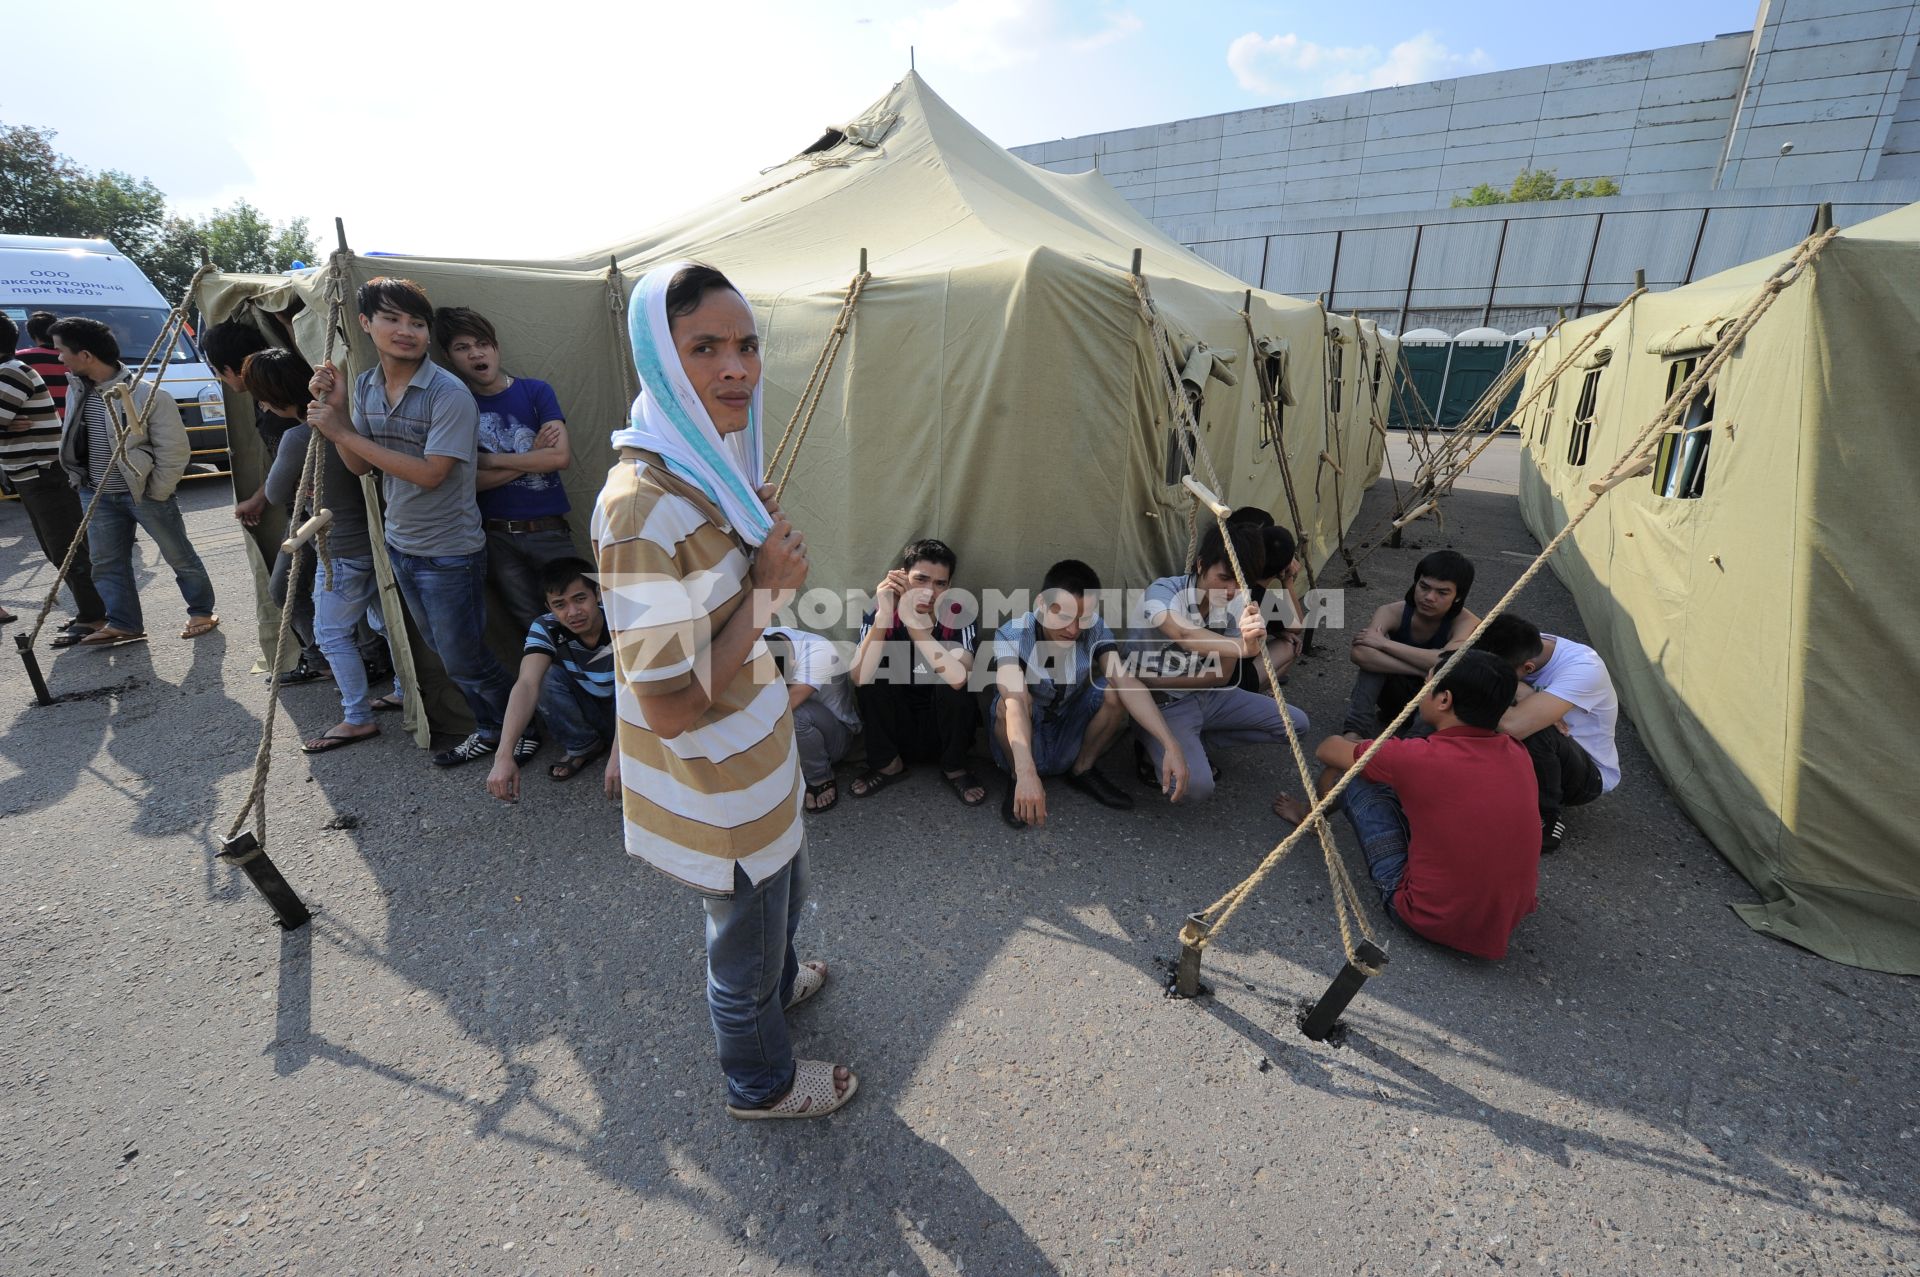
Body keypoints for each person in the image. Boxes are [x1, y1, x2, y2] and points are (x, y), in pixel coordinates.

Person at [593, 260, 854, 1121]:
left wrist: (746, 526)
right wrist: (771, 590)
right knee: (739, 946)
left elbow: (710, 608)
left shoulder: (702, 472)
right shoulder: (639, 509)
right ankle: (760, 1082)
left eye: (746, 344)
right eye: (704, 347)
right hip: (714, 777)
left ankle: (782, 984)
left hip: (757, 748)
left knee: (787, 894)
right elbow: (667, 702)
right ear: (659, 362)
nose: (736, 366)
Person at [305, 277, 524, 769]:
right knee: (446, 653)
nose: (406, 331)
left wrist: (341, 428)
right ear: (366, 324)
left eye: (417, 323)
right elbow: (360, 468)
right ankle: (497, 729)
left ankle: (513, 729)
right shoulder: (363, 386)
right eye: (392, 318)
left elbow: (432, 473)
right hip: (399, 542)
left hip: (451, 548)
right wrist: (339, 413)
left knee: (464, 656)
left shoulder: (449, 393)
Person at [1275, 651, 1540, 960]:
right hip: (1501, 921)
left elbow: (1327, 749)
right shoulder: (1518, 752)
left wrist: (1363, 744)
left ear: (1444, 700)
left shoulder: (1417, 757)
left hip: (1426, 915)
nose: (1421, 690)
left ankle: (1310, 816)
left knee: (1352, 774)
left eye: (1427, 684)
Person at [248, 349, 401, 752]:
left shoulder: (301, 437)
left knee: (330, 634)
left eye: (262, 397)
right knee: (384, 622)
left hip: (342, 549)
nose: (261, 406)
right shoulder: (354, 422)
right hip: (377, 541)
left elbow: (279, 492)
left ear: (276, 398)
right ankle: (403, 687)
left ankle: (357, 717)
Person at [51, 317, 218, 646]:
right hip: (96, 494)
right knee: (106, 562)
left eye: (60, 351)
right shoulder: (78, 391)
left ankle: (201, 611)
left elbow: (174, 450)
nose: (58, 358)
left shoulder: (147, 394)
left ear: (85, 355)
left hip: (143, 493)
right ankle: (124, 623)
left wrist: (158, 490)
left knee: (178, 555)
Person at [989, 558, 1190, 829]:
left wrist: (1170, 743)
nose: (1073, 630)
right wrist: (1025, 772)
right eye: (1063, 617)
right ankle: (1017, 782)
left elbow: (1125, 681)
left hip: (1067, 729)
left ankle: (1082, 769)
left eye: (1082, 618)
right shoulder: (1012, 634)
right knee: (1007, 702)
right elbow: (1015, 699)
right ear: (1041, 604)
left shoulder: (1094, 628)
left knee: (1115, 691)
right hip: (1024, 739)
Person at [1127, 522, 1305, 805]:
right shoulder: (1162, 593)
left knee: (1296, 724)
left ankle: (1195, 745)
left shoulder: (1237, 605)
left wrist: (1159, 680)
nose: (1231, 590)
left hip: (1207, 694)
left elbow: (1222, 677)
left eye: (1241, 581)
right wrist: (1242, 647)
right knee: (1197, 789)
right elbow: (1183, 634)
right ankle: (1153, 747)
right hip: (1164, 704)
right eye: (1223, 578)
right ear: (1200, 565)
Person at [433, 307, 576, 629]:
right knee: (532, 628)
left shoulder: (536, 391)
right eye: (462, 348)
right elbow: (466, 482)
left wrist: (490, 459)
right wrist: (532, 456)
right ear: (448, 357)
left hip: (550, 530)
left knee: (582, 616)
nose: (475, 353)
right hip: (496, 538)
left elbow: (559, 458)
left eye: (482, 343)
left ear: (496, 346)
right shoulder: (456, 404)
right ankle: (550, 682)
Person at [846, 538, 986, 807]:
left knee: (953, 676)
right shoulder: (880, 609)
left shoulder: (959, 614)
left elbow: (959, 678)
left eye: (940, 584)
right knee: (873, 666)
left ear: (949, 587)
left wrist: (915, 625)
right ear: (901, 576)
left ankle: (955, 767)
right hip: (897, 729)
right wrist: (884, 616)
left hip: (943, 730)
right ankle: (888, 765)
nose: (929, 592)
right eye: (920, 580)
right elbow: (859, 677)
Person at [0, 313, 108, 643]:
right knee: (57, 549)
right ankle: (92, 613)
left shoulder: (10, 373)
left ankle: (95, 617)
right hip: (30, 474)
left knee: (67, 549)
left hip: (43, 473)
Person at [1473, 614, 1621, 853]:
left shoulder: (1584, 669)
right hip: (1544, 752)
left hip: (1583, 774)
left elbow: (1516, 727)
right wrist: (1522, 690)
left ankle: (1547, 816)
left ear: (1528, 668)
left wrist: (1480, 690)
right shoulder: (1517, 643)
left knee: (1534, 729)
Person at [485, 557, 617, 800]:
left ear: (597, 594)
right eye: (560, 604)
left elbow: (636, 691)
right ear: (549, 607)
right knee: (539, 675)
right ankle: (584, 745)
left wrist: (621, 757)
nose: (573, 612)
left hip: (633, 714)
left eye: (580, 599)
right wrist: (503, 757)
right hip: (591, 706)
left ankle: (630, 752)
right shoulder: (546, 627)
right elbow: (526, 685)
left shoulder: (620, 619)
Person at [1342, 550, 1480, 739]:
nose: (1429, 597)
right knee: (1371, 667)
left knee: (1443, 677)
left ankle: (1415, 743)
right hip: (1393, 698)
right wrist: (1424, 669)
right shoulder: (1391, 611)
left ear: (1458, 596)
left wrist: (1384, 644)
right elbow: (1361, 653)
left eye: (1442, 592)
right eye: (1424, 587)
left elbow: (1450, 663)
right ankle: (1354, 731)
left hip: (1437, 709)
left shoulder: (1467, 622)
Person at [768, 625, 862, 813]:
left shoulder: (819, 653)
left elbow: (782, 708)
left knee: (793, 714)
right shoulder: (761, 641)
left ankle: (820, 777)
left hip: (833, 738)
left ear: (794, 664)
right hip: (781, 734)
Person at [201, 319, 281, 530]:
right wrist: (259, 498)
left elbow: (292, 460)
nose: (218, 376)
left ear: (227, 369)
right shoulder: (261, 400)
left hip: (315, 513)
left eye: (215, 370)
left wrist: (258, 497)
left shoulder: (283, 406)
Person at [16, 313, 70, 421]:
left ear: (33, 335)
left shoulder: (19, 358)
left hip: (36, 425)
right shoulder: (77, 357)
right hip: (73, 423)